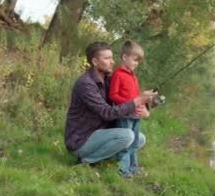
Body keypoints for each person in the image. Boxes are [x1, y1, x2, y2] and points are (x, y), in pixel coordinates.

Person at [64, 42, 155, 177]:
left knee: (139, 138)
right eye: (107, 58)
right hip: (82, 140)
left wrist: (145, 108)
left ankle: (114, 161)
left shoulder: (108, 79)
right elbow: (107, 113)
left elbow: (128, 97)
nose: (112, 62)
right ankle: (86, 161)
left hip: (101, 132)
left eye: (112, 57)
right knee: (127, 136)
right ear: (95, 61)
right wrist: (137, 101)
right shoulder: (86, 84)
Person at [109, 40, 148, 176]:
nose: (136, 64)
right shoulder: (117, 74)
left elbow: (137, 96)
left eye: (138, 61)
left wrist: (142, 104)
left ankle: (133, 168)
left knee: (134, 143)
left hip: (135, 116)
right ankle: (123, 170)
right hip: (124, 116)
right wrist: (130, 103)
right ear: (125, 57)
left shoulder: (133, 77)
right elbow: (113, 96)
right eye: (134, 60)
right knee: (126, 144)